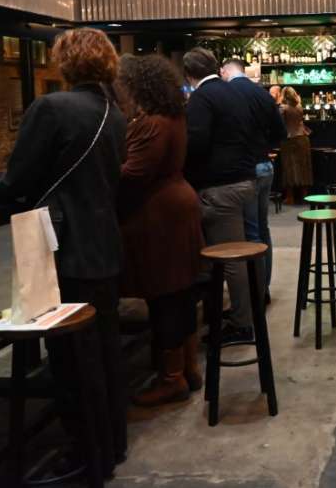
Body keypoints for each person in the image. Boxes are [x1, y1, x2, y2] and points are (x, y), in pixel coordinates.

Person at [0, 28, 128, 475]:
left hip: (65, 242)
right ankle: (111, 444)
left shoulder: (53, 107)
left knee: (71, 356)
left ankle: (85, 452)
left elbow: (18, 180)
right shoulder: (114, 112)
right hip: (104, 240)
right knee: (102, 349)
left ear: (66, 61)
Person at [116, 55, 203, 407]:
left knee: (163, 295)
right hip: (178, 205)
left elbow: (134, 174)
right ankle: (189, 367)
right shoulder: (175, 115)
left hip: (158, 215)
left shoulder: (152, 122)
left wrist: (105, 170)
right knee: (181, 293)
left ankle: (172, 379)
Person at [182, 48, 258, 346]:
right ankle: (241, 313)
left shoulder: (201, 98)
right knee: (237, 252)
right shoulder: (234, 92)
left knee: (230, 259)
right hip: (245, 179)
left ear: (188, 74)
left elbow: (196, 143)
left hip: (221, 186)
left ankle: (242, 324)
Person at [221, 57, 286, 297]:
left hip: (245, 169)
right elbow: (281, 133)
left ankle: (255, 294)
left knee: (250, 232)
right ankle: (263, 288)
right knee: (262, 228)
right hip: (265, 166)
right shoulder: (263, 94)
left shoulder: (228, 94)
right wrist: (264, 146)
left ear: (225, 71)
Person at [279, 87, 312, 205]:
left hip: (289, 139)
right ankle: (304, 195)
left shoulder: (282, 108)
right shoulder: (299, 107)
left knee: (289, 167)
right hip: (303, 138)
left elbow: (280, 124)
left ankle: (290, 197)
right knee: (304, 166)